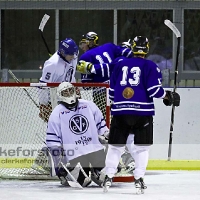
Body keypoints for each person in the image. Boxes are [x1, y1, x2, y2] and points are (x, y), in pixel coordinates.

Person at [102, 36, 180, 194]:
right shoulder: (151, 66)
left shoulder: (119, 64)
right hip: (142, 113)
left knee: (115, 147)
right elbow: (154, 91)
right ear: (147, 48)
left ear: (133, 47)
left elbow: (111, 93)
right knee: (141, 148)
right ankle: (138, 178)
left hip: (120, 112)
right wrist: (168, 96)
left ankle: (108, 177)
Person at [46, 82, 109, 187]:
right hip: (75, 153)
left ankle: (96, 172)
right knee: (82, 181)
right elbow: (52, 137)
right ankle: (65, 175)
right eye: (65, 92)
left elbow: (101, 125)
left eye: (71, 90)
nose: (69, 94)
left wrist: (107, 135)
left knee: (107, 176)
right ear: (60, 95)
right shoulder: (57, 113)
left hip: (94, 149)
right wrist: (57, 154)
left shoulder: (89, 105)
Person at [32, 38, 79, 174]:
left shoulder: (73, 57)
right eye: (70, 55)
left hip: (68, 97)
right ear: (63, 52)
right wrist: (44, 105)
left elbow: (71, 75)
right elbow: (43, 86)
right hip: (55, 100)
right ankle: (43, 161)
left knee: (68, 130)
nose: (73, 57)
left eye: (74, 54)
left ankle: (49, 161)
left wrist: (76, 90)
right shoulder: (52, 64)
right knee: (57, 132)